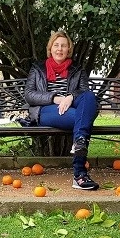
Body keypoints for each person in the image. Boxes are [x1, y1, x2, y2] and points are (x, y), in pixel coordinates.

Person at [24, 30, 99, 190]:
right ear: (50, 48)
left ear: (68, 49)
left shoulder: (77, 69)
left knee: (89, 97)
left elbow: (85, 94)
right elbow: (29, 95)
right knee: (83, 120)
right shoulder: (37, 68)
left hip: (71, 109)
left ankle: (79, 148)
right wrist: (55, 98)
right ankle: (80, 174)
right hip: (45, 111)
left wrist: (71, 96)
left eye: (63, 46)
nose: (60, 49)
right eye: (56, 45)